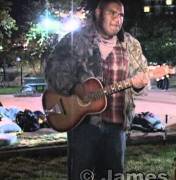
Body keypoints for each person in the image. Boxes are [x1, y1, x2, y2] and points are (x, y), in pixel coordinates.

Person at [44, 0, 149, 179]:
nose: (118, 19)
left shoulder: (131, 45)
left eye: (121, 15)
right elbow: (52, 69)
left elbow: (142, 80)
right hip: (82, 125)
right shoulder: (76, 39)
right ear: (99, 13)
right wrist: (75, 88)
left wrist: (140, 85)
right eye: (113, 13)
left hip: (117, 128)